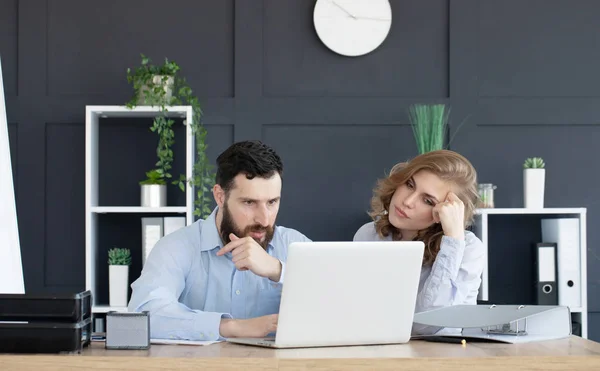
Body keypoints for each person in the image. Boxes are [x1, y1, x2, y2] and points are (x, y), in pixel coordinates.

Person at [128, 140, 311, 341]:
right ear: (220, 196)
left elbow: (342, 304)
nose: (264, 219)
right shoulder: (176, 247)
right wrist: (230, 327)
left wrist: (279, 270)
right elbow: (143, 316)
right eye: (249, 202)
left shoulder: (296, 246)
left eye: (272, 202)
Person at [353, 149, 485, 335]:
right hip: (378, 351)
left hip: (443, 358)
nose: (407, 201)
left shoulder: (469, 249)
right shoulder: (369, 235)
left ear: (445, 212)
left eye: (428, 201)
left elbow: (428, 324)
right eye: (409, 184)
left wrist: (453, 241)